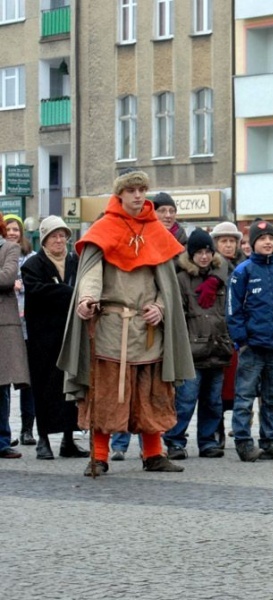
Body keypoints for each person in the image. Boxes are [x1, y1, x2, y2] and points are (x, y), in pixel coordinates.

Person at [57, 170, 194, 476]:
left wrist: (160, 307)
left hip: (147, 329)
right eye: (131, 190)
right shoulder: (103, 229)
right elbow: (91, 274)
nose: (138, 195)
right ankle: (100, 456)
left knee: (151, 392)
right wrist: (85, 300)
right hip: (110, 327)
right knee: (106, 392)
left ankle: (154, 454)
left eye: (142, 189)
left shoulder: (156, 231)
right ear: (120, 194)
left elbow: (166, 285)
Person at [21, 217, 89, 460]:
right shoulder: (34, 264)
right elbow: (37, 292)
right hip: (43, 339)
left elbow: (85, 287)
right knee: (44, 388)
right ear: (45, 240)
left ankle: (69, 440)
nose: (59, 240)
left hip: (71, 334)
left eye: (63, 236)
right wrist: (67, 291)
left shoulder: (75, 261)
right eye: (54, 236)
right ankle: (43, 439)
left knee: (71, 386)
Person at [227, 220, 273, 462]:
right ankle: (244, 443)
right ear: (252, 243)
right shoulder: (242, 272)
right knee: (245, 397)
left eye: (271, 238)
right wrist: (242, 342)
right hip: (252, 348)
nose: (268, 242)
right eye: (262, 238)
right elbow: (233, 310)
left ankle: (270, 441)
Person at [163, 229, 232, 459]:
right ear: (190, 254)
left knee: (213, 402)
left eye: (208, 252)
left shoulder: (220, 277)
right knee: (185, 401)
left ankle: (207, 441)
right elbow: (179, 316)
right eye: (199, 252)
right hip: (193, 351)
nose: (204, 256)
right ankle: (174, 441)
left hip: (217, 347)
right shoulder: (182, 279)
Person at [210, 220, 246, 447]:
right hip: (217, 334)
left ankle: (240, 429)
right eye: (224, 241)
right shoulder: (211, 269)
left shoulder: (245, 266)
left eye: (232, 241)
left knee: (239, 386)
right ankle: (217, 430)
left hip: (237, 333)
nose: (229, 246)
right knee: (217, 388)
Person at [3, 213, 36, 447]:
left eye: (17, 229)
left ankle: (26, 429)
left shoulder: (28, 257)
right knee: (4, 383)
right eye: (10, 228)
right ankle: (6, 431)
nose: (13, 232)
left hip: (24, 323)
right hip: (12, 321)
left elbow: (7, 277)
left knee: (25, 380)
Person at [0, 212, 30, 459]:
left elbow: (8, 276)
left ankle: (2, 439)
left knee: (1, 385)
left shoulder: (10, 248)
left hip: (3, 324)